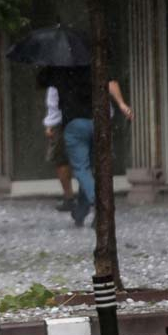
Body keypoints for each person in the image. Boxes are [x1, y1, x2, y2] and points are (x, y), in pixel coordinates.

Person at [52, 66, 134, 227]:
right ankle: (81, 213)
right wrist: (121, 103)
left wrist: (51, 124)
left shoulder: (60, 71)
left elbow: (54, 101)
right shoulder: (96, 65)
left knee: (82, 169)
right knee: (92, 169)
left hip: (74, 125)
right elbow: (110, 82)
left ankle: (100, 206)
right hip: (99, 122)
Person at [37, 67, 74, 212]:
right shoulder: (81, 74)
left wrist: (50, 125)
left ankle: (69, 197)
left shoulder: (56, 82)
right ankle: (86, 195)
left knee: (61, 160)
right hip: (80, 120)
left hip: (60, 123)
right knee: (82, 161)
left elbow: (53, 106)